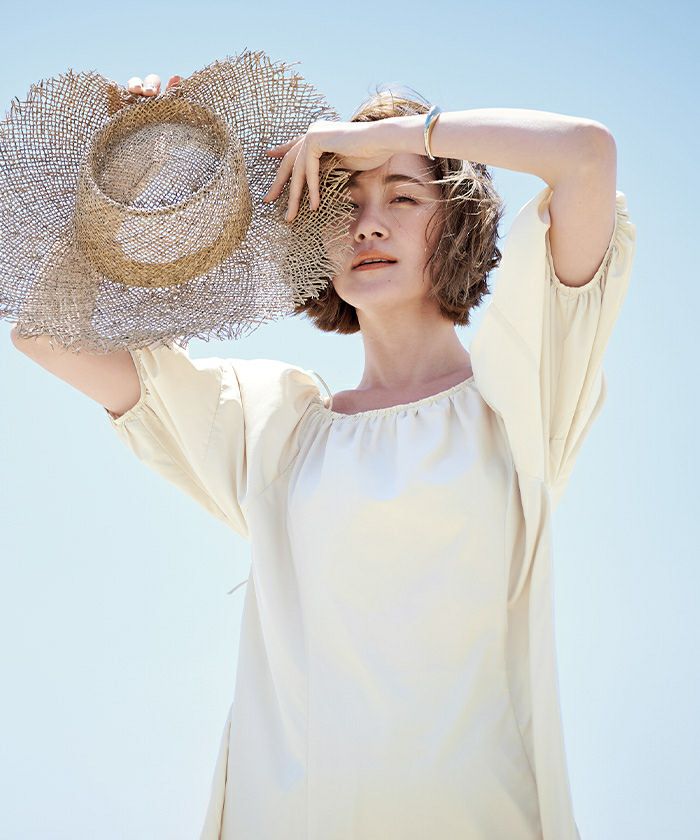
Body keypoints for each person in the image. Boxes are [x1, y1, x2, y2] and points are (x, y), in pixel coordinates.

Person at [11, 71, 636, 840]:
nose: (368, 226)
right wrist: (137, 165)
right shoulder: (276, 431)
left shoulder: (521, 403)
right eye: (344, 204)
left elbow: (586, 156)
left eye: (402, 198)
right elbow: (45, 332)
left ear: (457, 223)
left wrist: (376, 138)